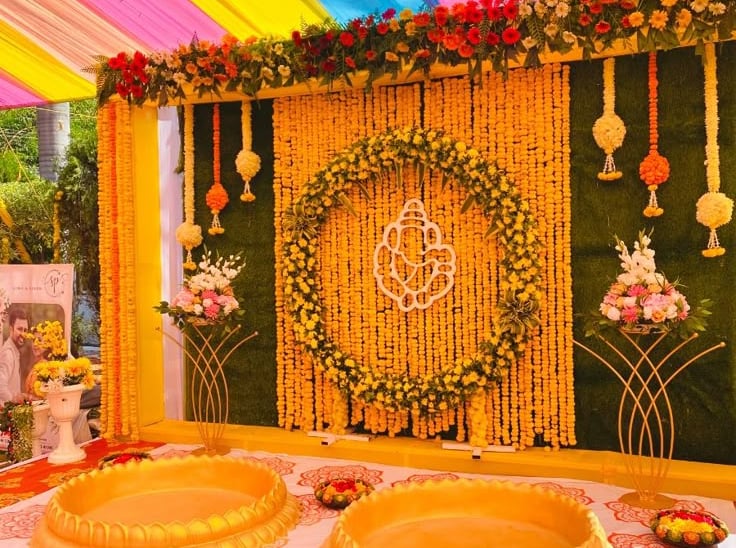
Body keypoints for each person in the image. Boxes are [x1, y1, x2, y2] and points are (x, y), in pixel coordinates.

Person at [0, 307, 32, 405]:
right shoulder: (8, 353)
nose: (23, 334)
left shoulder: (14, 350)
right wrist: (14, 401)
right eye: (19, 329)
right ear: (11, 329)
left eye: (25, 330)